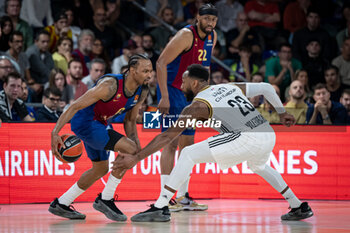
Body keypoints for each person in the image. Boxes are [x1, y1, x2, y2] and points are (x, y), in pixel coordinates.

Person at [114, 64, 314, 222]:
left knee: (188, 153)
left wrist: (137, 158)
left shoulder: (197, 105)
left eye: (183, 82)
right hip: (266, 133)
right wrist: (282, 112)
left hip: (246, 136)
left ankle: (161, 206)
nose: (181, 86)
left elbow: (167, 137)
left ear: (194, 84)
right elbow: (266, 88)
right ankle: (297, 205)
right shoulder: (228, 86)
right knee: (259, 165)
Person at [48, 54, 152, 221]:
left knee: (101, 169)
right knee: (130, 149)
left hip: (101, 123)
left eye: (151, 71)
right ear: (132, 71)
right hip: (85, 122)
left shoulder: (143, 90)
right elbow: (74, 106)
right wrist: (55, 133)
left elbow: (130, 120)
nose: (149, 75)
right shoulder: (109, 85)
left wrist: (136, 146)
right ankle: (106, 199)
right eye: (145, 71)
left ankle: (61, 203)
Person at [155, 3, 218, 212]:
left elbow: (205, 68)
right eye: (207, 19)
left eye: (214, 20)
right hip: (172, 90)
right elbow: (161, 63)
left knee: (188, 146)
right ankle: (165, 197)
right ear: (198, 18)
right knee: (170, 142)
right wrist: (164, 97)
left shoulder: (212, 37)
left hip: (190, 93)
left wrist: (205, 95)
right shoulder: (185, 35)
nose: (210, 23)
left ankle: (182, 197)